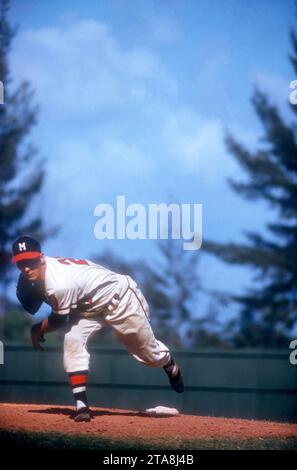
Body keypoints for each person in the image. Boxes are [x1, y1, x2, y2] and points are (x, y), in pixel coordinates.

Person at [12, 236, 184, 422]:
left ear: (42, 258)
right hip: (87, 308)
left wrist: (37, 329)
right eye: (21, 263)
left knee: (149, 355)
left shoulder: (60, 284)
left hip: (119, 299)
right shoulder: (41, 275)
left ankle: (170, 365)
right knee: (72, 340)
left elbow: (58, 320)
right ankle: (82, 405)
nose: (27, 267)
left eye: (30, 261)